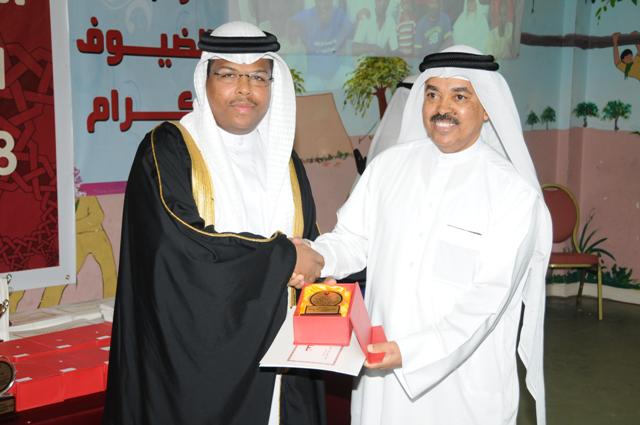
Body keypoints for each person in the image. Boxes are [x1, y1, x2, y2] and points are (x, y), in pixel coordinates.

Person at [292, 45, 552, 424]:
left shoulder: (512, 192)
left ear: (486, 108)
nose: (442, 108)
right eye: (432, 94)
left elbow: (489, 298)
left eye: (459, 96)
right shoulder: (388, 167)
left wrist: (409, 351)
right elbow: (354, 239)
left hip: (463, 381)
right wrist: (318, 258)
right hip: (383, 371)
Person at [104, 21, 325, 425]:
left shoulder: (285, 162)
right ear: (204, 80)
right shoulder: (168, 149)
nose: (244, 89)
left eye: (258, 77)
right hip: (196, 370)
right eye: (228, 75)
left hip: (281, 363)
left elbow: (307, 249)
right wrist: (284, 258)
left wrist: (316, 266)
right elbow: (183, 249)